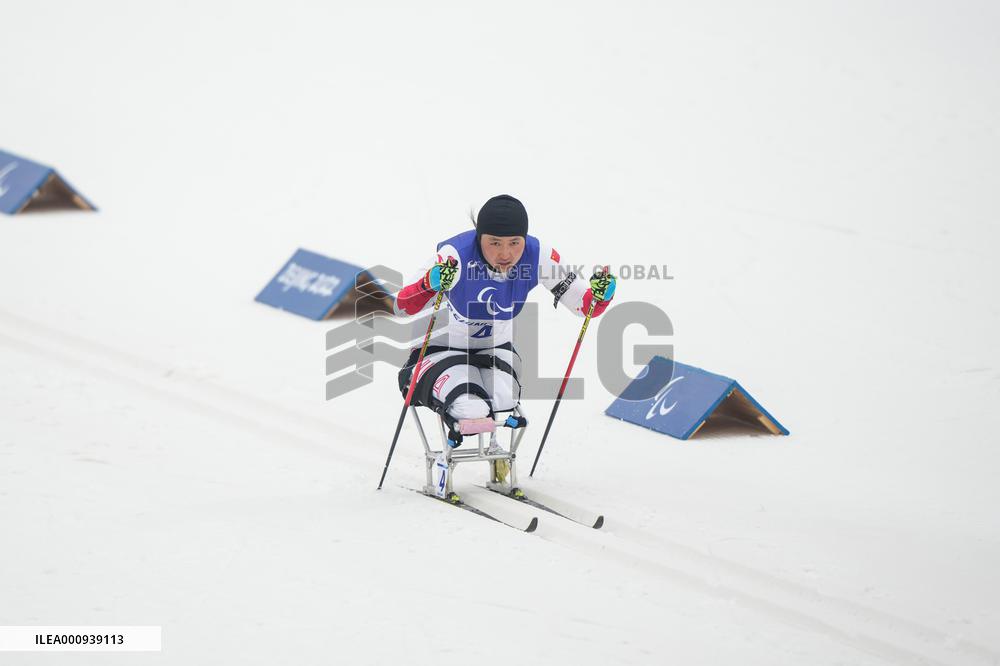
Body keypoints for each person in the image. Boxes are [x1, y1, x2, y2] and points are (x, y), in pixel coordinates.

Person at [394, 194, 616, 453]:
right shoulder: (455, 256)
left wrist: (601, 295)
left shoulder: (538, 256)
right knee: (471, 407)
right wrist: (428, 284)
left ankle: (497, 452)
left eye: (514, 242)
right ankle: (448, 444)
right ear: (480, 238)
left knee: (503, 399)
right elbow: (400, 306)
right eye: (494, 243)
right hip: (438, 349)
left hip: (493, 350)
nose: (505, 253)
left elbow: (583, 305)